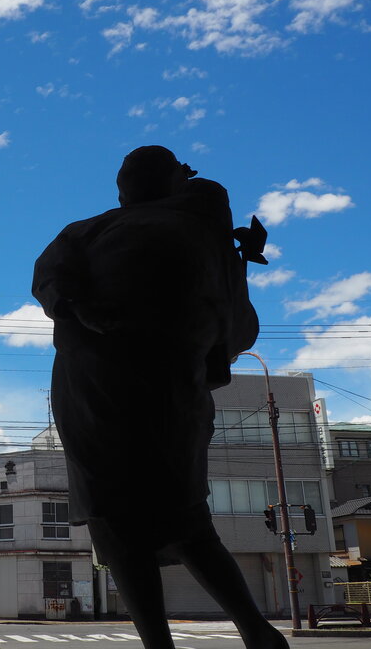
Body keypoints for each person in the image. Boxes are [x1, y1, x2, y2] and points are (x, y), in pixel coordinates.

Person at [32, 146, 287, 649]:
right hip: (122, 383)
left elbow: (50, 277)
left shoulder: (109, 229)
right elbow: (235, 329)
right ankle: (249, 631)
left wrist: (233, 262)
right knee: (168, 517)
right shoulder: (193, 229)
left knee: (152, 518)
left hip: (123, 384)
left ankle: (222, 634)